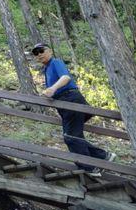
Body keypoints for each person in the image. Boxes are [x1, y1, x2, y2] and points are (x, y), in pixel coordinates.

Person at [32, 43, 116, 176]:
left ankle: (90, 168)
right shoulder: (47, 69)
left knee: (70, 137)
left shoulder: (56, 62)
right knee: (73, 136)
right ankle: (103, 156)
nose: (39, 54)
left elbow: (66, 77)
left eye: (41, 51)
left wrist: (53, 89)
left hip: (71, 100)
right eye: (35, 53)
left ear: (50, 51)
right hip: (65, 104)